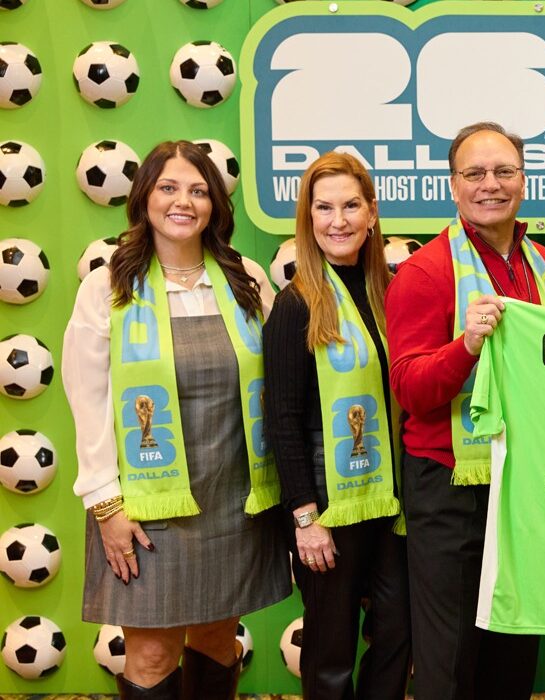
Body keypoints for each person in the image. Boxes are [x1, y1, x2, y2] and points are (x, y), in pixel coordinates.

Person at [63, 140, 290, 699]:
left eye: (198, 190)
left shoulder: (244, 279)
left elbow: (282, 376)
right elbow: (87, 401)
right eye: (168, 188)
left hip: (233, 498)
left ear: (214, 204)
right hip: (145, 506)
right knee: (151, 653)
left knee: (217, 638)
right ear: (145, 198)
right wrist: (107, 505)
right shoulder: (108, 286)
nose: (183, 202)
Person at [385, 121, 545, 698]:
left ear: (524, 180)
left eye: (504, 171)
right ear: (453, 185)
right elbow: (409, 389)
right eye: (475, 173)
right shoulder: (423, 273)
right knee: (450, 658)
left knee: (513, 646)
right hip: (450, 490)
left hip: (526, 484)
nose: (491, 184)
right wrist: (464, 346)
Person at [263, 152, 410, 698]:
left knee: (399, 630)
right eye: (324, 208)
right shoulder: (296, 305)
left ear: (372, 212)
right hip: (326, 503)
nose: (338, 220)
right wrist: (305, 519)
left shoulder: (390, 293)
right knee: (330, 648)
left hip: (389, 500)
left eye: (350, 206)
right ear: (308, 217)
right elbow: (281, 419)